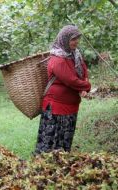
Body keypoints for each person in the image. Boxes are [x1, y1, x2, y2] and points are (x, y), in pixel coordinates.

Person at [35, 25, 91, 154]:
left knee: (65, 139)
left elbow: (83, 69)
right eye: (73, 39)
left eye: (77, 38)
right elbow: (70, 80)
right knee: (52, 140)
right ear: (64, 40)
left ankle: (61, 164)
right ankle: (45, 166)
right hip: (57, 108)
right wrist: (87, 86)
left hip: (70, 106)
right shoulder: (57, 59)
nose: (76, 42)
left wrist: (85, 81)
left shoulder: (75, 55)